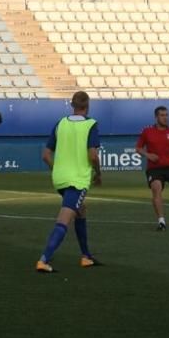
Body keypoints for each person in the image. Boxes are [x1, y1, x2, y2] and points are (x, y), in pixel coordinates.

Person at [36, 91, 102, 273]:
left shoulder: (60, 123)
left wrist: (57, 169)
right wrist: (99, 173)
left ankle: (86, 256)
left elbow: (46, 155)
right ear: (87, 105)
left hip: (60, 178)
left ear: (72, 105)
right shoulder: (91, 125)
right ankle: (44, 259)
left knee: (81, 210)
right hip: (77, 180)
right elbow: (93, 155)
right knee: (65, 217)